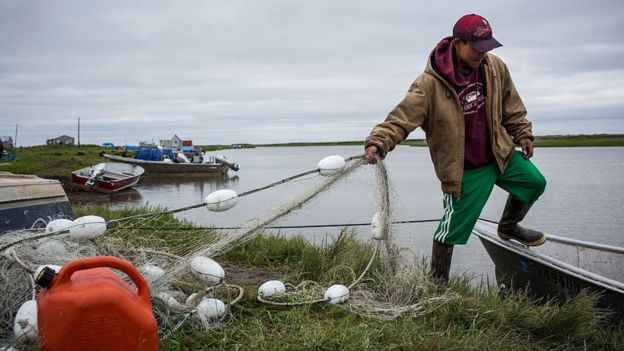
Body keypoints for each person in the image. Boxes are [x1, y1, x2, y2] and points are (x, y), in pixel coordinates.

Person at [364, 14, 547, 282]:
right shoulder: (428, 85)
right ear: (459, 43)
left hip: (500, 155)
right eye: (477, 48)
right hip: (467, 170)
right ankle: (437, 285)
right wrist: (377, 143)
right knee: (450, 231)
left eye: (488, 47)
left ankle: (507, 227)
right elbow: (399, 120)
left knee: (534, 183)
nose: (483, 54)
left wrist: (522, 133)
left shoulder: (494, 67)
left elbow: (511, 104)